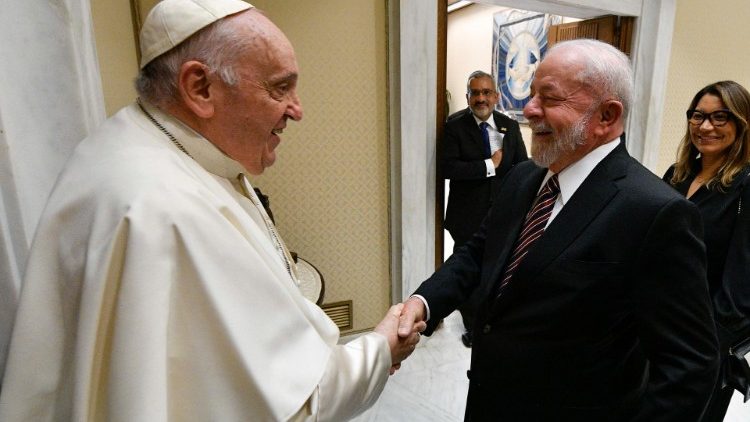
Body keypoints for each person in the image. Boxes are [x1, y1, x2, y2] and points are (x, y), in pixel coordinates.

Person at [0, 0, 424, 420]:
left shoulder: (127, 142)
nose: (297, 109)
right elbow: (296, 408)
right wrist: (383, 345)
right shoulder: (168, 210)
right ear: (200, 87)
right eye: (280, 87)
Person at [398, 39, 719, 421]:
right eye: (531, 93)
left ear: (606, 116)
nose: (529, 109)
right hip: (489, 401)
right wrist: (423, 302)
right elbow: (478, 252)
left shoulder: (656, 212)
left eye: (548, 98)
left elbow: (690, 365)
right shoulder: (523, 178)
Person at [663, 80, 750, 422]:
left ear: (741, 124)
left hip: (702, 339)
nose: (706, 126)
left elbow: (742, 279)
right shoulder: (677, 174)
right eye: (698, 116)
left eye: (720, 118)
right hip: (656, 324)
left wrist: (710, 342)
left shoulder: (745, 185)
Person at [444, 70, 528, 347]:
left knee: (497, 267)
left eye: (486, 92)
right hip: (466, 215)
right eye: (475, 93)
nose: (481, 98)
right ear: (468, 97)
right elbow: (448, 168)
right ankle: (472, 325)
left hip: (503, 213)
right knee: (469, 268)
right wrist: (489, 165)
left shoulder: (509, 125)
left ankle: (492, 317)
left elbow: (521, 165)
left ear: (496, 95)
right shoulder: (454, 126)